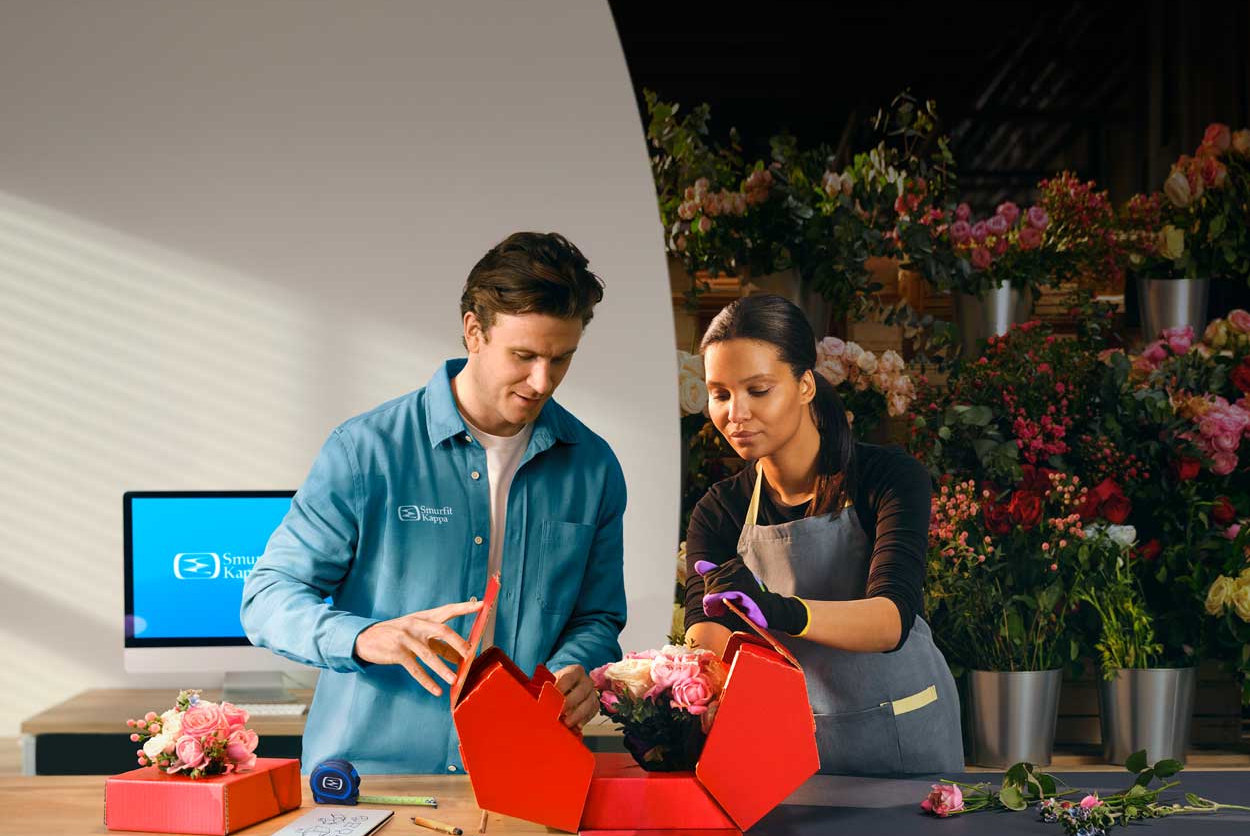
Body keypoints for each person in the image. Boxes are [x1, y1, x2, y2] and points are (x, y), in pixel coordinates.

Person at [241, 232, 628, 774]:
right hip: (366, 778)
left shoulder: (593, 466)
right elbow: (267, 599)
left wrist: (572, 670)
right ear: (474, 331)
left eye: (561, 359)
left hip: (524, 769)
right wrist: (366, 636)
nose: (542, 381)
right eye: (524, 356)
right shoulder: (364, 452)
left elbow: (597, 615)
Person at [682, 294, 963, 776]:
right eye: (721, 394)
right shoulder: (719, 511)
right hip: (793, 743)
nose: (736, 413)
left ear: (805, 385)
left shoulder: (887, 477)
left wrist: (778, 610)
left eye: (758, 389)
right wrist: (696, 675)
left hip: (905, 735)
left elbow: (891, 620)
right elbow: (706, 625)